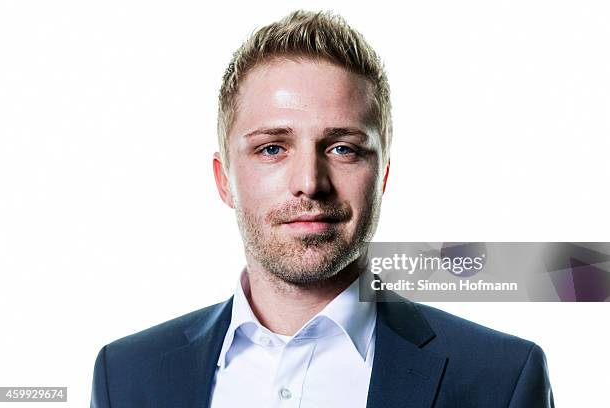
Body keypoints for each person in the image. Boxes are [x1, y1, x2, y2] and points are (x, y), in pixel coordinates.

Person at [91, 10, 554, 408]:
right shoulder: (127, 376)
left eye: (343, 149)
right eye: (272, 149)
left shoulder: (501, 378)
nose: (309, 183)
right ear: (223, 179)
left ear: (383, 176)